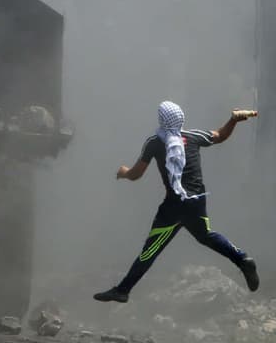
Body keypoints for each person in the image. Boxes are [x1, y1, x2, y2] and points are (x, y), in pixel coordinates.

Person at [93, 101, 260, 303]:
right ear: (181, 118)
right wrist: (233, 120)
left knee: (151, 249)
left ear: (161, 120)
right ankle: (242, 259)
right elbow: (221, 135)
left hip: (174, 206)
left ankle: (123, 290)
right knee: (206, 235)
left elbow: (137, 174)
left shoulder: (155, 142)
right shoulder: (193, 136)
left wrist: (124, 173)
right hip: (197, 201)